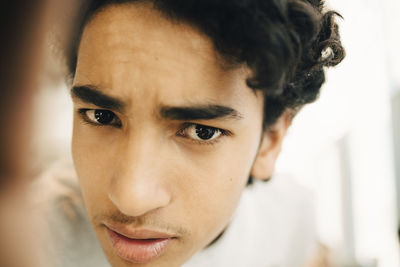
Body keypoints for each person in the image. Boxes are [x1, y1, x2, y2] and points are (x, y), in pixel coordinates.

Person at [35, 0, 345, 266]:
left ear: (270, 143)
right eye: (101, 116)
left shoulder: (289, 220)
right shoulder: (29, 243)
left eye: (201, 132)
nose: (131, 199)